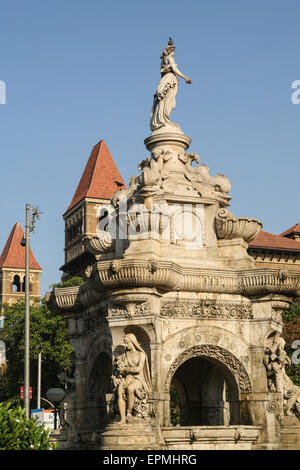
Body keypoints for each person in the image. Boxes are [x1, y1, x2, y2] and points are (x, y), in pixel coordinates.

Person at [150, 38, 192, 133]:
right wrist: (185, 77)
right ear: (170, 51)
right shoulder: (170, 58)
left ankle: (163, 119)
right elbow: (175, 69)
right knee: (168, 101)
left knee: (164, 102)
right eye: (173, 51)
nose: (173, 53)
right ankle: (164, 119)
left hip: (165, 80)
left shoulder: (164, 60)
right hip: (170, 80)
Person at [116, 333, 151, 424]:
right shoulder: (125, 355)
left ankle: (129, 412)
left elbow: (139, 369)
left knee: (130, 388)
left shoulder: (141, 354)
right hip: (127, 378)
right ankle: (122, 418)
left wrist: (126, 369)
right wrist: (119, 366)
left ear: (133, 342)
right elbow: (120, 367)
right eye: (125, 343)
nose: (126, 345)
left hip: (138, 379)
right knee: (119, 390)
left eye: (128, 343)